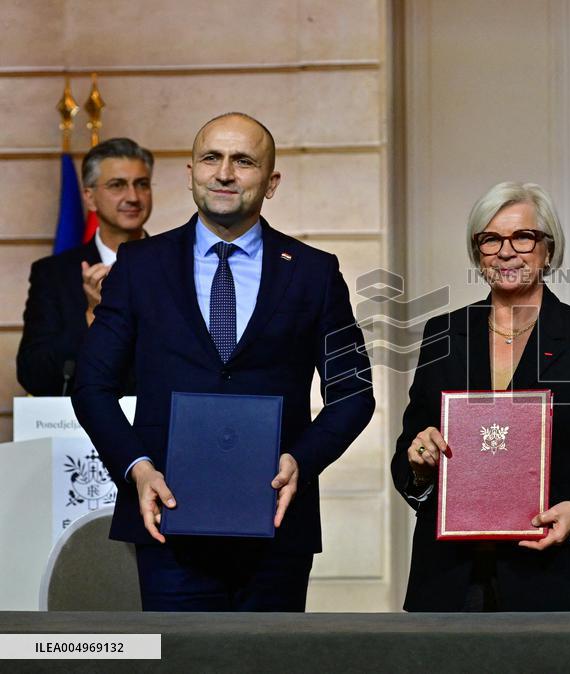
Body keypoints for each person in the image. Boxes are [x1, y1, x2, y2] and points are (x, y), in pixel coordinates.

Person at [72, 112, 375, 611]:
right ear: (190, 172)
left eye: (244, 161)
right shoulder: (140, 266)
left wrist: (302, 461)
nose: (225, 172)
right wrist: (137, 468)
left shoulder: (315, 273)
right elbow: (91, 385)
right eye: (212, 158)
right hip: (166, 519)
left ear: (271, 182)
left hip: (276, 524)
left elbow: (354, 392)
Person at [390, 181, 570, 611]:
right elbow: (409, 454)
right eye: (491, 239)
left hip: (558, 579)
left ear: (547, 249)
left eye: (523, 236)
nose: (506, 250)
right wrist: (419, 466)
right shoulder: (442, 335)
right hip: (452, 582)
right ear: (477, 252)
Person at [17, 137, 153, 396]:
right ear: (89, 198)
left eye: (142, 184)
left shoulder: (178, 265)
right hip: (78, 425)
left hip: (159, 425)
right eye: (117, 185)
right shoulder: (53, 274)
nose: (133, 197)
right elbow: (33, 374)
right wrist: (92, 317)